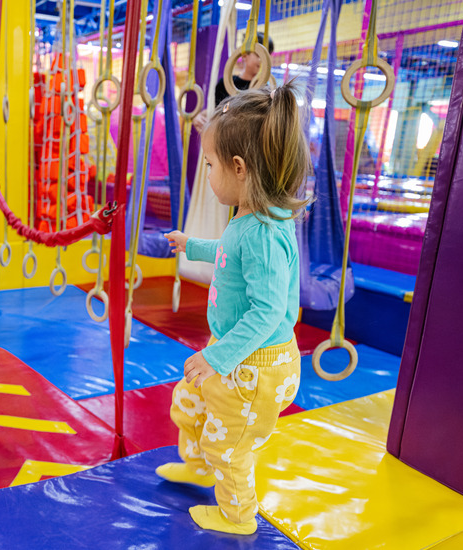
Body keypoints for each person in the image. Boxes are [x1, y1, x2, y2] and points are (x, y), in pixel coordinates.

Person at [161, 81, 308, 535]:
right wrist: (192, 246)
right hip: (235, 356)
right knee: (188, 403)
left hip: (255, 369)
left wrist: (216, 357)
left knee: (231, 446)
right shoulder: (249, 217)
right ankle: (200, 467)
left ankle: (238, 516)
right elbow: (229, 252)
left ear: (239, 168)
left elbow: (265, 314)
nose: (206, 175)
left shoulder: (263, 232)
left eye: (209, 165)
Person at [193, 33, 275, 133]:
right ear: (244, 55)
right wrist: (199, 116)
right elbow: (218, 110)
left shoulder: (266, 90)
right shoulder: (226, 84)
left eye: (267, 56)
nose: (262, 60)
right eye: (258, 55)